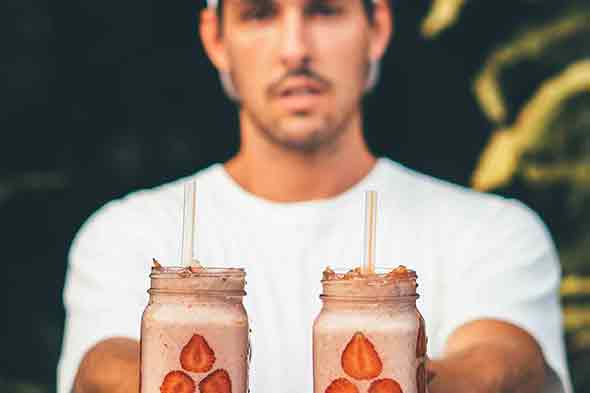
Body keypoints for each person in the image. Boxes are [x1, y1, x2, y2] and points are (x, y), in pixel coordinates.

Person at [58, 0, 573, 392]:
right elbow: (100, 369)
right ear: (216, 40)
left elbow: (508, 365)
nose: (295, 49)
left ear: (377, 28)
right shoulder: (126, 233)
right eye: (260, 14)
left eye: (324, 10)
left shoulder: (493, 231)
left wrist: (379, 374)